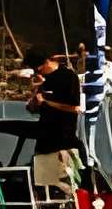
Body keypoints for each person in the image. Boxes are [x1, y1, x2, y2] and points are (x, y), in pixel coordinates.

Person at [26, 45, 83, 198]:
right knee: (43, 193)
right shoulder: (44, 82)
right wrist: (34, 99)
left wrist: (46, 102)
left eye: (37, 69)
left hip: (62, 144)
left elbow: (74, 107)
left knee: (65, 192)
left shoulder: (68, 77)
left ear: (45, 63)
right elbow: (35, 107)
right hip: (44, 144)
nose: (37, 73)